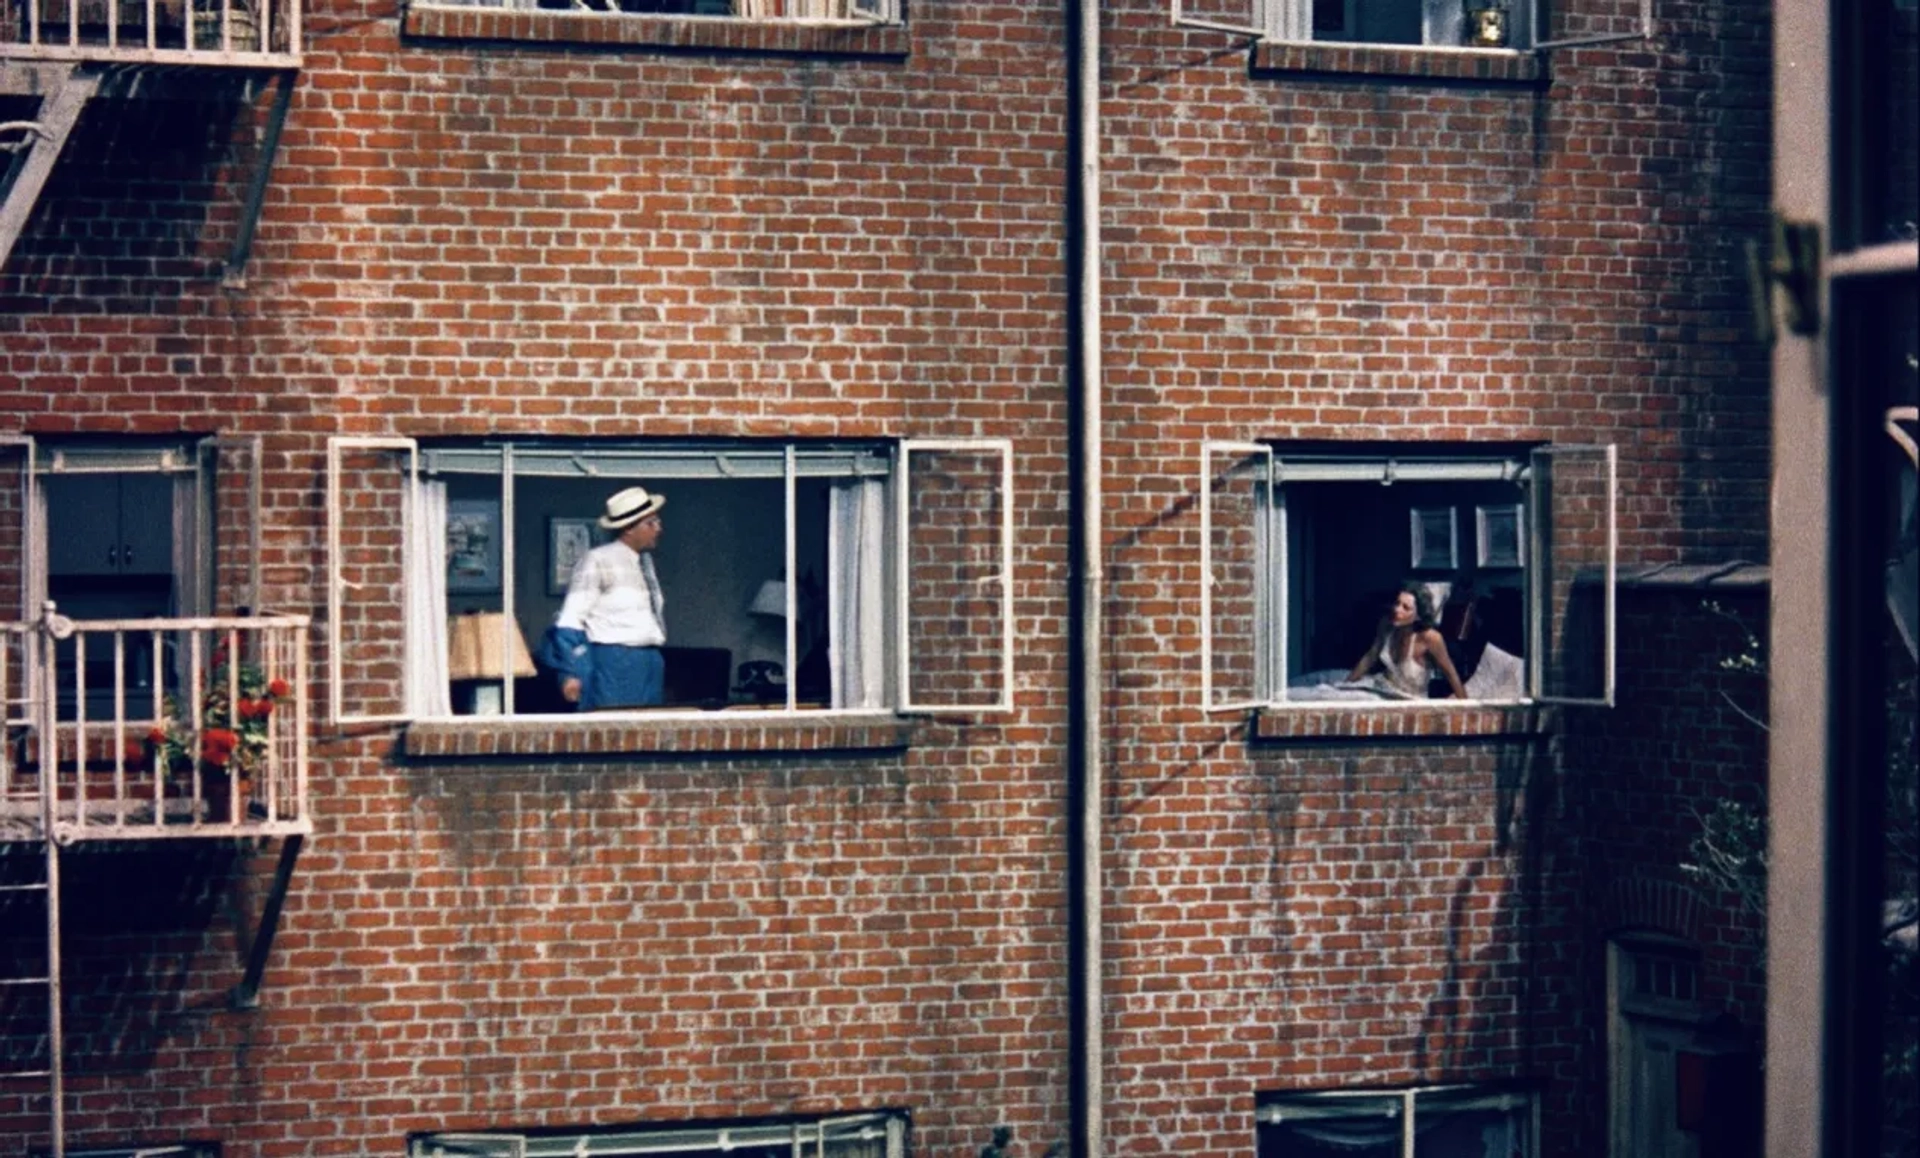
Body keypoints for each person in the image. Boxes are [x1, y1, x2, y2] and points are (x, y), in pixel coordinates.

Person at [543, 486, 669, 710]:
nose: (658, 529)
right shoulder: (598, 560)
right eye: (651, 523)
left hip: (649, 660)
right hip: (616, 662)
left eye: (657, 522)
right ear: (629, 529)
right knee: (616, 731)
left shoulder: (645, 563)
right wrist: (571, 671)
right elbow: (570, 618)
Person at [1345, 582, 1468, 699]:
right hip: (1383, 692)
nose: (1397, 610)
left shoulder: (1431, 638)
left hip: (1412, 703)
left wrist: (1467, 709)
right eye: (1397, 603)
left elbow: (1451, 674)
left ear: (1418, 615)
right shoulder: (1386, 625)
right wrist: (1346, 685)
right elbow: (1370, 657)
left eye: (1406, 608)